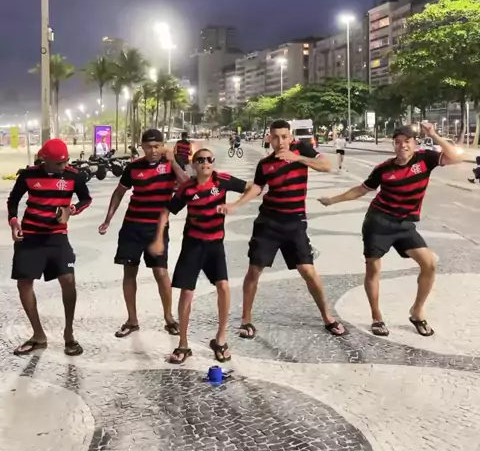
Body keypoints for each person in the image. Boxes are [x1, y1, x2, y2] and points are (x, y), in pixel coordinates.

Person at [319, 122, 461, 338]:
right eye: (398, 142)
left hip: (404, 224)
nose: (403, 146)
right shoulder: (384, 169)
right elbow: (361, 190)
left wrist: (434, 134)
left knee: (429, 264)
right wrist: (332, 200)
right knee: (373, 269)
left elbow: (455, 158)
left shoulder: (425, 159)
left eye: (407, 141)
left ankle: (417, 312)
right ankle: (377, 317)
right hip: (378, 223)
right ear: (393, 145)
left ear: (415, 143)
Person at [218, 119, 347, 339]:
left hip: (295, 222)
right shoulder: (265, 164)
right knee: (254, 270)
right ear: (269, 138)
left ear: (290, 136)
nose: (280, 142)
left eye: (284, 137)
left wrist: (299, 158)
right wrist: (236, 205)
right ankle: (246, 320)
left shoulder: (301, 150)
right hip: (269, 222)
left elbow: (327, 166)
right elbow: (257, 188)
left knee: (308, 271)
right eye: (276, 137)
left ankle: (328, 317)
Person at [150, 148, 248, 364]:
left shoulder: (222, 180)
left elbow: (252, 188)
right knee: (187, 293)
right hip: (193, 245)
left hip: (215, 245)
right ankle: (183, 344)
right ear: (194, 165)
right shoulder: (187, 188)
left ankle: (220, 340)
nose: (205, 163)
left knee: (223, 287)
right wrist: (158, 239)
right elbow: (166, 211)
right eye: (201, 160)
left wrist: (235, 205)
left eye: (209, 159)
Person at [98, 129, 189, 338]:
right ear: (142, 147)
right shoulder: (133, 167)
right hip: (132, 227)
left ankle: (169, 318)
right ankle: (132, 320)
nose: (153, 151)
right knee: (129, 272)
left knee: (161, 272)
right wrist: (108, 219)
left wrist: (174, 162)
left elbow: (187, 186)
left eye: (157, 146)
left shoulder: (171, 166)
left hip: (157, 228)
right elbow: (119, 192)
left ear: (163, 146)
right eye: (148, 147)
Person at [7, 138, 92, 357]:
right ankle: (38, 336)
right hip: (30, 237)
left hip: (57, 236)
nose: (63, 166)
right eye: (58, 163)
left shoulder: (73, 176)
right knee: (24, 283)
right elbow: (13, 201)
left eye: (65, 161)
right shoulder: (28, 175)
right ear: (44, 159)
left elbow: (86, 199)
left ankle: (69, 335)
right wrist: (14, 223)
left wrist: (72, 209)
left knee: (68, 280)